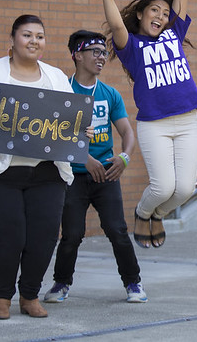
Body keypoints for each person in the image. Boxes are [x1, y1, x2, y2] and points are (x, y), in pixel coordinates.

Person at [0, 14, 74, 320]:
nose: (34, 41)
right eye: (27, 35)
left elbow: (70, 120)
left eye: (39, 36)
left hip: (48, 173)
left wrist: (81, 130)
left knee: (44, 236)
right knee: (7, 236)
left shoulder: (56, 76)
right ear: (12, 39)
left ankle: (29, 295)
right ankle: (1, 298)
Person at [88, 0, 197, 250]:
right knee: (163, 186)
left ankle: (158, 214)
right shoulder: (132, 47)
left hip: (188, 120)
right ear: (140, 14)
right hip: (154, 124)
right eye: (155, 10)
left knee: (185, 189)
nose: (162, 17)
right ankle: (142, 212)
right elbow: (115, 25)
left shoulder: (173, 34)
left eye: (166, 13)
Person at [43, 30, 147, 305]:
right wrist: (83, 158)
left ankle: (133, 283)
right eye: (95, 52)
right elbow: (52, 136)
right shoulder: (62, 91)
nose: (102, 58)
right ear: (77, 55)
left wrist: (124, 158)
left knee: (117, 230)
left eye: (104, 53)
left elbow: (127, 132)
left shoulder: (110, 94)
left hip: (106, 176)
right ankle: (62, 283)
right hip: (72, 177)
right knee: (72, 235)